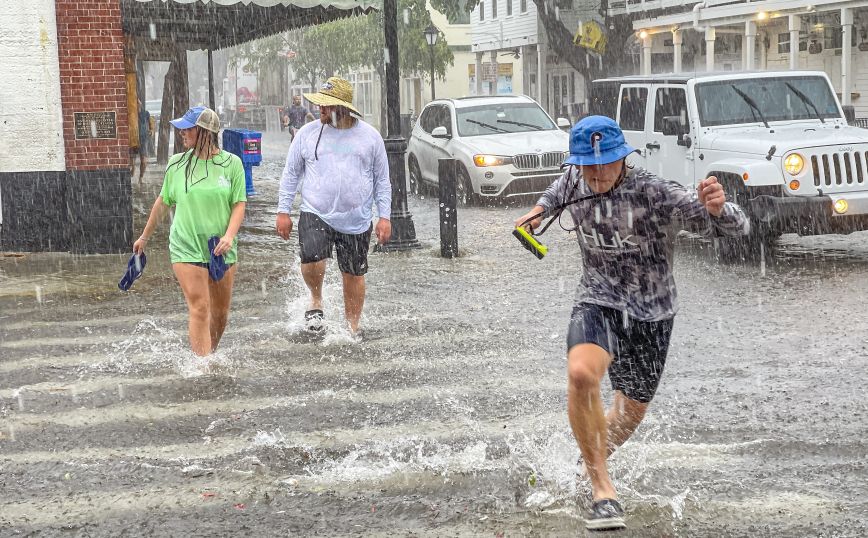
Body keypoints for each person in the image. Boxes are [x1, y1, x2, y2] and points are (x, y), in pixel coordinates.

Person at [514, 116, 749, 531]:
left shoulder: (655, 193)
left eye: (607, 163)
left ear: (624, 157)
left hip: (652, 313)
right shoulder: (575, 178)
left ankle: (579, 463)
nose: (598, 172)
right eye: (589, 164)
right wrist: (537, 213)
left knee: (625, 418)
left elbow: (732, 227)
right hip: (598, 300)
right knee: (582, 374)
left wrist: (720, 207)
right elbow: (557, 189)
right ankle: (602, 489)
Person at [275, 77, 391, 337]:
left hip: (357, 219)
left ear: (343, 108)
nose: (321, 110)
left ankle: (352, 327)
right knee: (312, 258)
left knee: (353, 274)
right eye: (320, 105)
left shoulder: (370, 138)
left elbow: (382, 180)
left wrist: (385, 217)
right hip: (316, 211)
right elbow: (291, 174)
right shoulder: (307, 134)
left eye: (327, 106)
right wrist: (283, 211)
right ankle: (316, 300)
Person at [133, 106, 247, 357]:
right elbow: (163, 202)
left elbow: (239, 204)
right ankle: (202, 364)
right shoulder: (177, 164)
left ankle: (209, 352)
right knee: (200, 307)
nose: (182, 133)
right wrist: (144, 236)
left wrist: (229, 236)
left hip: (221, 247)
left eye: (188, 128)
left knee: (219, 313)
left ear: (205, 132)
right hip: (185, 245)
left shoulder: (232, 164)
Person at [133, 100, 153, 185]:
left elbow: (151, 123)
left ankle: (140, 178)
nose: (137, 104)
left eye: (138, 102)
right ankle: (132, 172)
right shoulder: (131, 114)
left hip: (143, 140)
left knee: (144, 162)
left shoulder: (146, 113)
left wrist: (151, 130)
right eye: (135, 102)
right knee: (131, 163)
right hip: (133, 140)